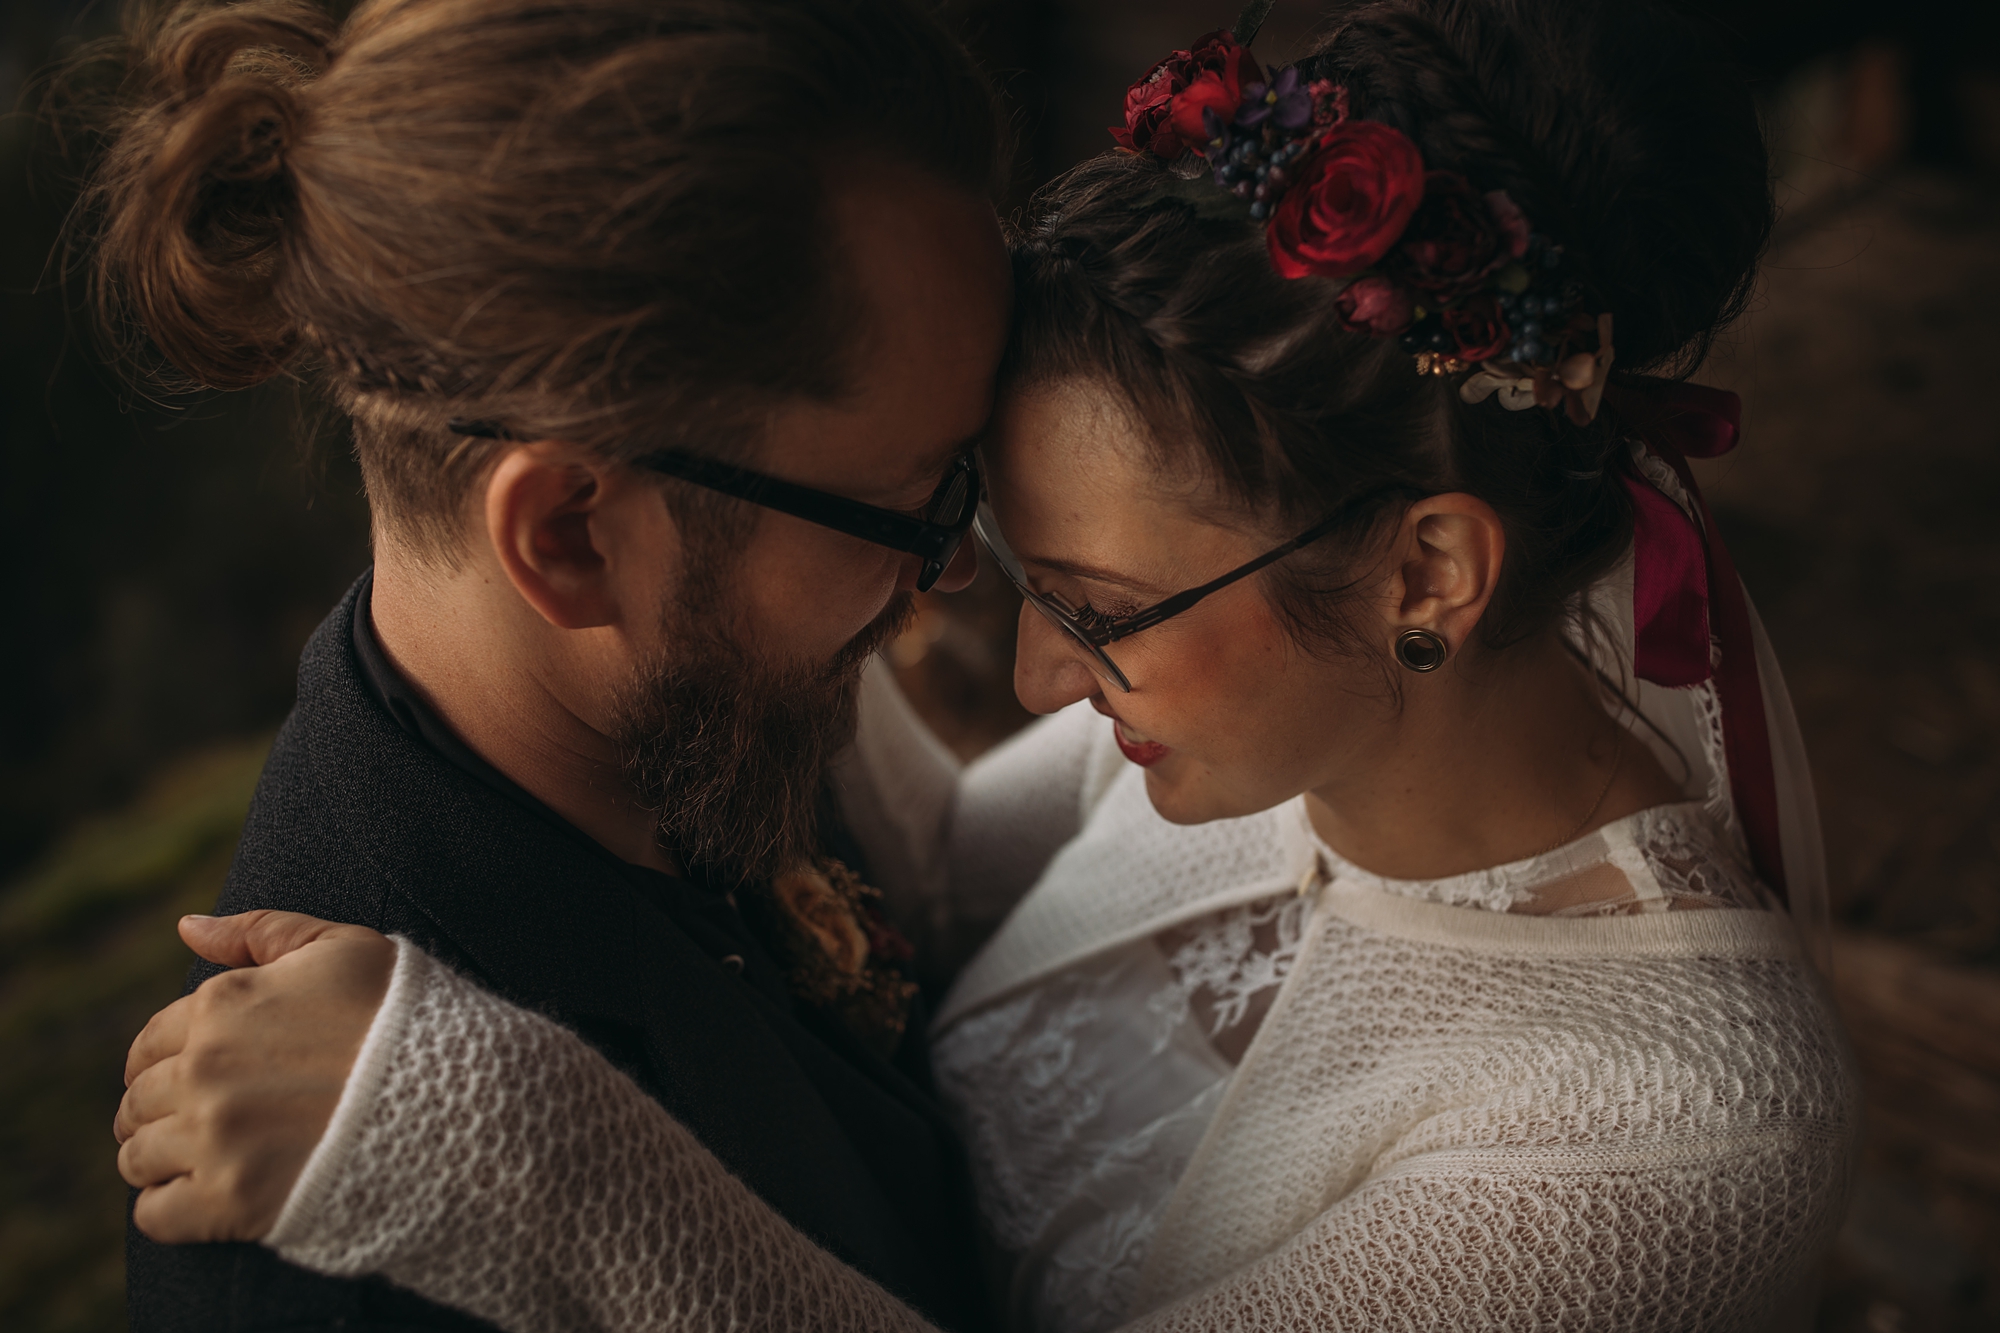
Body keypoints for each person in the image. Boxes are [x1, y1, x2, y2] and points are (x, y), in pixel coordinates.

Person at [114, 0, 1862, 1329]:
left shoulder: (1650, 1102)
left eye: (1086, 594)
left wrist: (539, 1162)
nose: (1017, 656)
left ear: (1428, 573)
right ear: (572, 538)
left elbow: (924, 911)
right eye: (921, 499)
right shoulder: (1243, 694)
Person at [87, 0, 1014, 1330]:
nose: (960, 565)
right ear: (574, 535)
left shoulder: (697, 693)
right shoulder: (355, 1260)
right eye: (915, 500)